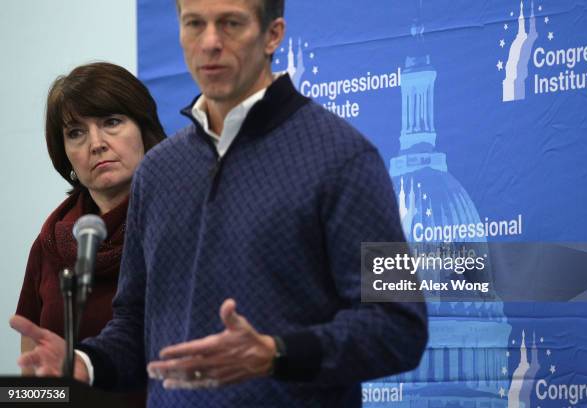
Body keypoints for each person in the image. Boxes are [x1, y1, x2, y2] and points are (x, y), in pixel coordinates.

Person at [10, 1, 428, 406]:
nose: (210, 42)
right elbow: (136, 326)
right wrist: (85, 364)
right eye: (194, 24)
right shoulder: (158, 172)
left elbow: (398, 325)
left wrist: (276, 353)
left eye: (230, 23)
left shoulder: (345, 158)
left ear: (272, 34)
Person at [14, 62, 166, 406]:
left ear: (145, 130)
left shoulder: (178, 221)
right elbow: (32, 380)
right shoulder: (52, 241)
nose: (96, 144)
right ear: (65, 154)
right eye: (76, 133)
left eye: (111, 122)